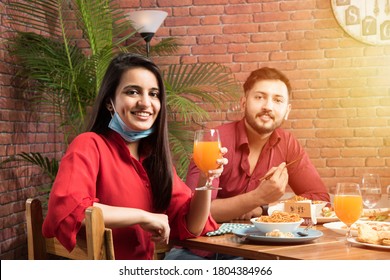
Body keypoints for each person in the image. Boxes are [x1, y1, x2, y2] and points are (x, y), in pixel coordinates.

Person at [42, 53, 226, 260]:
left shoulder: (153, 160)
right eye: (132, 92)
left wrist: (204, 177)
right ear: (109, 102)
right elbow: (71, 210)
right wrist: (142, 217)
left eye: (154, 94)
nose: (146, 103)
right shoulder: (89, 144)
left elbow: (193, 225)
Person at [164, 66, 330, 260]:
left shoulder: (288, 144)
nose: (268, 106)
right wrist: (257, 197)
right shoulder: (215, 141)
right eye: (259, 97)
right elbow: (197, 212)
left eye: (278, 100)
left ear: (287, 110)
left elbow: (319, 198)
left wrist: (266, 208)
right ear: (243, 102)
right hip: (199, 251)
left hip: (254, 251)